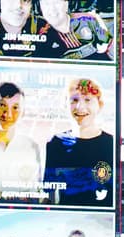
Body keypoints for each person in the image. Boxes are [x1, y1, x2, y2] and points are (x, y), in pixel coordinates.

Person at [43, 77, 114, 207]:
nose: (80, 107)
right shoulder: (55, 143)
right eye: (74, 100)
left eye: (87, 100)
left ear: (100, 105)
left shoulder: (111, 145)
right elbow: (48, 192)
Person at [0, 81, 43, 202]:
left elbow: (35, 193)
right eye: (1, 105)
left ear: (23, 112)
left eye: (15, 108)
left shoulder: (31, 147)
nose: (8, 114)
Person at [34, 0, 113, 61]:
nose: (52, 9)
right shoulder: (42, 36)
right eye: (46, 4)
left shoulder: (87, 20)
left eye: (57, 2)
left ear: (66, 4)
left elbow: (110, 47)